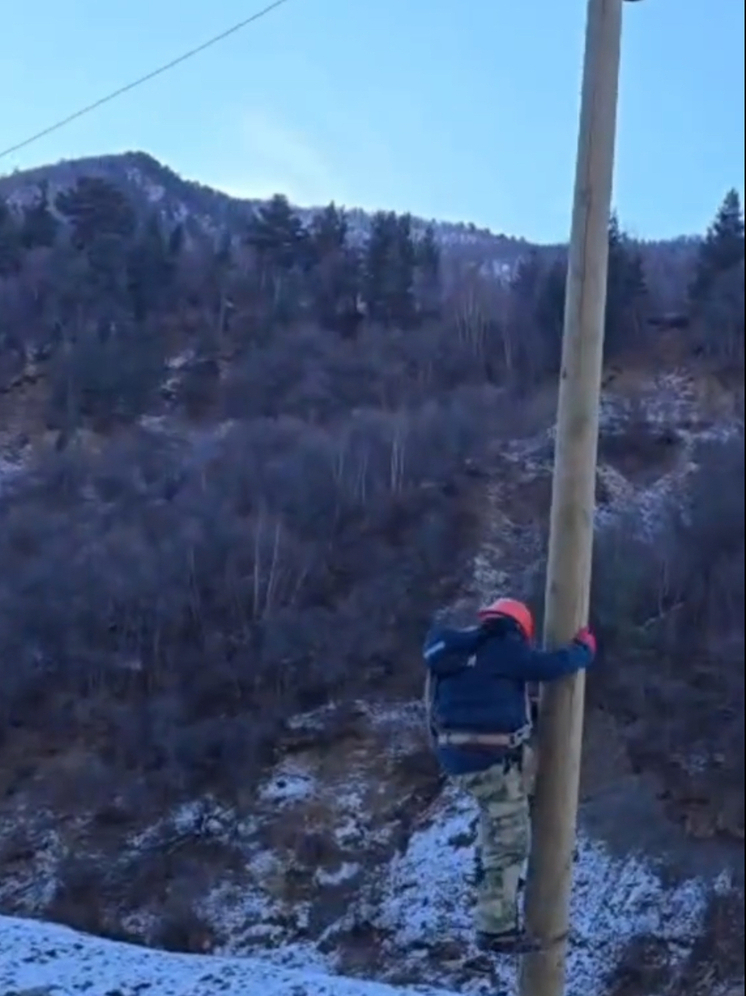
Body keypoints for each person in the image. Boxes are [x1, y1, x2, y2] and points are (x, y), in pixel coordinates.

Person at [423, 597, 596, 955]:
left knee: (494, 831)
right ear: (519, 627)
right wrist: (582, 650)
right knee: (510, 842)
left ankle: (491, 899)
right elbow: (552, 666)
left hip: (457, 758)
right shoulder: (504, 648)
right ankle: (496, 929)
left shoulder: (456, 653)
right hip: (489, 762)